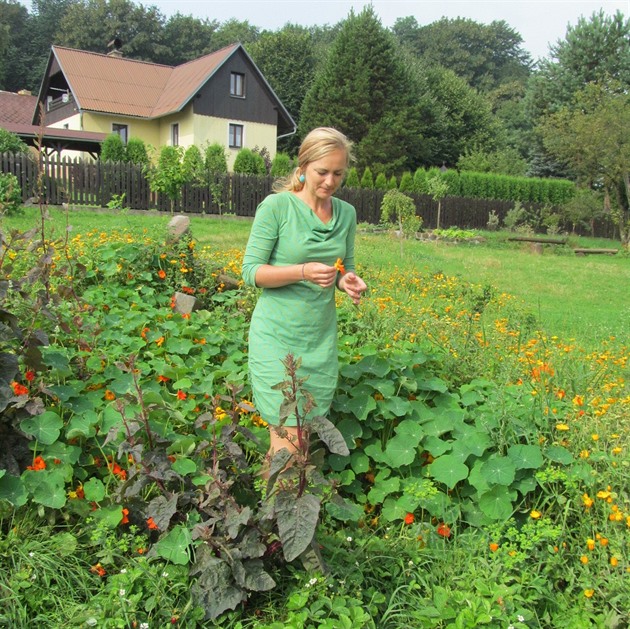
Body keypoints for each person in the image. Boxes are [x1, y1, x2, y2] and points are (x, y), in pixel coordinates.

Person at [241, 127, 367, 467]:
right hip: (277, 337)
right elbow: (251, 271)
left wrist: (349, 282)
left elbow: (344, 269)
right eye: (322, 172)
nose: (330, 181)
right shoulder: (278, 207)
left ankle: (270, 503)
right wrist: (302, 271)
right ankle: (282, 508)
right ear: (303, 166)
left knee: (297, 436)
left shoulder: (346, 214)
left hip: (318, 339)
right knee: (291, 439)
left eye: (338, 173)